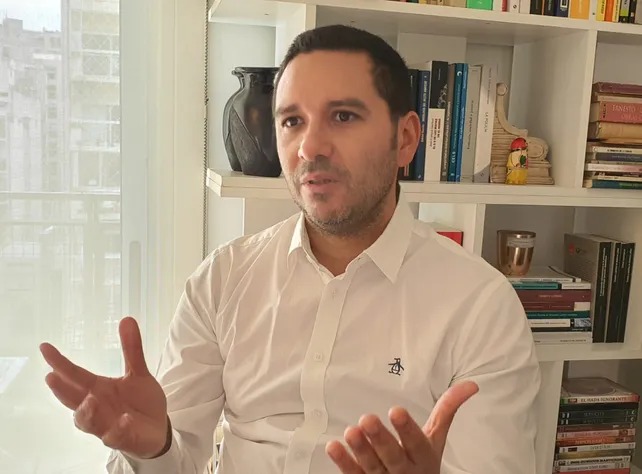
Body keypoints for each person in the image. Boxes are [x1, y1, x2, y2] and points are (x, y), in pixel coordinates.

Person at [39, 24, 541, 474]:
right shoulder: (224, 278)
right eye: (291, 121)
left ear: (405, 138)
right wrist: (156, 449)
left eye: (343, 116)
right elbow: (178, 462)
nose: (309, 147)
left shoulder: (480, 306)